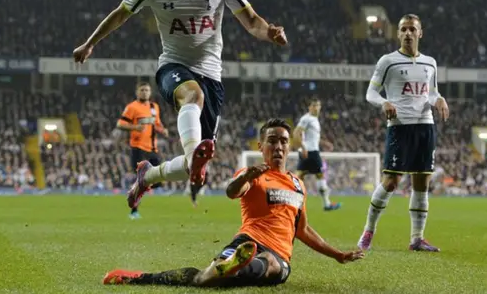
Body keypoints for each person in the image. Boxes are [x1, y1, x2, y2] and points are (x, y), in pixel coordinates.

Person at [73, 0, 288, 210]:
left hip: (212, 76)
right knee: (192, 98)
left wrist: (269, 32)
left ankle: (148, 175)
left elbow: (251, 21)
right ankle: (193, 153)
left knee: (192, 167)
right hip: (173, 67)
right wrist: (90, 43)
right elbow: (120, 13)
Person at [102, 119, 364, 288]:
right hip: (247, 241)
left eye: (284, 141)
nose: (279, 146)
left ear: (290, 147)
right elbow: (232, 191)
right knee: (205, 279)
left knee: (269, 266)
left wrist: (337, 255)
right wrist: (249, 176)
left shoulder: (298, 184)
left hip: (278, 255)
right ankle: (140, 277)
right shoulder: (251, 174)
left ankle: (236, 266)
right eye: (272, 141)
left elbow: (302, 230)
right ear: (261, 146)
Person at [358, 14, 450, 252]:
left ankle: (417, 239)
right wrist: (384, 103)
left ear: (420, 33)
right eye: (403, 29)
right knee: (391, 182)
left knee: (422, 183)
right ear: (398, 33)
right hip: (400, 127)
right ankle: (368, 231)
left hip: (425, 126)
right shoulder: (387, 61)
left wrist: (439, 99)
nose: (408, 33)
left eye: (412, 29)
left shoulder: (430, 62)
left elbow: (431, 92)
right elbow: (370, 93)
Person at [116, 82, 169, 219]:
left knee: (157, 179)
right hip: (138, 148)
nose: (144, 92)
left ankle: (140, 192)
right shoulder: (132, 107)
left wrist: (163, 130)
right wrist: (134, 128)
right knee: (141, 179)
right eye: (142, 90)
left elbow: (157, 124)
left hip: (152, 148)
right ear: (137, 92)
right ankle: (134, 209)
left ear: (150, 92)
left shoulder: (154, 107)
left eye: (147, 90)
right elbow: (120, 124)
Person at [292, 98, 341, 211]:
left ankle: (290, 203)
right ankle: (326, 204)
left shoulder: (314, 119)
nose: (316, 107)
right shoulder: (306, 118)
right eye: (314, 105)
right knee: (318, 175)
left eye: (318, 105)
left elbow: (312, 137)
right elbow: (296, 132)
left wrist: (324, 143)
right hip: (311, 152)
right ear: (309, 107)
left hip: (310, 151)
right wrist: (302, 147)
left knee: (300, 177)